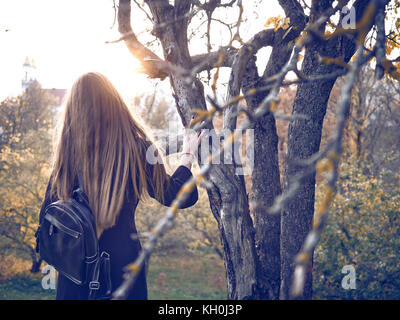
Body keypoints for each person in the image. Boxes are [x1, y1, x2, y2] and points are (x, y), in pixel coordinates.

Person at [39, 72, 200, 300]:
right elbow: (176, 196)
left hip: (75, 275)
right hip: (122, 270)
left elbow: (45, 221)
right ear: (114, 104)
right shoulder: (136, 148)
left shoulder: (67, 155)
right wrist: (187, 156)